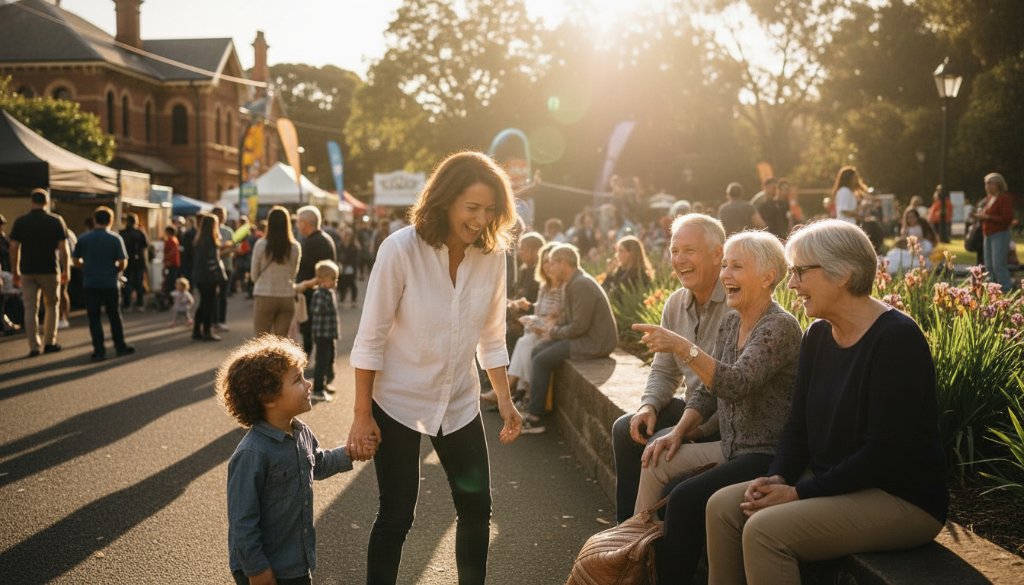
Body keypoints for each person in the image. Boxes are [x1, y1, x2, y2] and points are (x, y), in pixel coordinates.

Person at [705, 219, 948, 585]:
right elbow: (798, 425)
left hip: (899, 497)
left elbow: (884, 453)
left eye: (800, 272)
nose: (791, 284)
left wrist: (799, 492)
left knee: (764, 531)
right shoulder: (818, 335)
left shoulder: (897, 340)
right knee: (723, 507)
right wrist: (778, 476)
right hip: (830, 481)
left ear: (843, 274)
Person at [348, 151, 522, 585]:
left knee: (476, 508)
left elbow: (492, 335)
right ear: (445, 200)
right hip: (398, 400)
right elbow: (370, 338)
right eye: (472, 208)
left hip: (459, 401)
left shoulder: (493, 256)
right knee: (396, 515)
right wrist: (360, 414)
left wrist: (505, 398)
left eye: (490, 210)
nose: (482, 219)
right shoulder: (400, 249)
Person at [632, 231, 802, 584]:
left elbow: (735, 383)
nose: (726, 274)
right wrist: (676, 433)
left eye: (737, 267)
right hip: (730, 448)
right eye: (724, 265)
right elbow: (709, 393)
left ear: (768, 276)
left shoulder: (779, 326)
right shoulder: (731, 322)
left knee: (683, 499)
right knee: (656, 455)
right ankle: (632, 560)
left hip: (764, 454)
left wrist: (684, 347)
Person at [611, 213, 731, 523]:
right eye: (674, 251)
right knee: (627, 428)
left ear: (718, 253)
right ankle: (625, 534)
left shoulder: (736, 304)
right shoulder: (676, 303)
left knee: (659, 449)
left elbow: (725, 384)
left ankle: (649, 544)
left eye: (689, 250)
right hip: (693, 407)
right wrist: (648, 406)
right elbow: (664, 371)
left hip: (722, 421)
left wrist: (684, 430)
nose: (679, 260)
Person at [219, 335, 367, 585]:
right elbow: (242, 522)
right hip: (264, 569)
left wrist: (351, 452)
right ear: (269, 398)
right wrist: (257, 570)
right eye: (298, 379)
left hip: (295, 560)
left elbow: (317, 464)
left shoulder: (300, 432)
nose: (308, 384)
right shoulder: (252, 454)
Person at [520, 243, 618, 435]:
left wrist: (554, 333)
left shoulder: (581, 284)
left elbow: (579, 326)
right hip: (585, 338)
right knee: (537, 350)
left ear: (563, 263)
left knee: (541, 359)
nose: (549, 267)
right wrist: (549, 329)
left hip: (594, 343)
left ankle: (534, 417)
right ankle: (539, 405)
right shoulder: (573, 282)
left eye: (552, 263)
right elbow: (570, 320)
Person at [499, 242, 564, 405]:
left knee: (525, 342)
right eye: (545, 262)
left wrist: (542, 321)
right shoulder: (544, 286)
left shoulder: (565, 287)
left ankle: (515, 390)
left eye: (551, 262)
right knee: (526, 337)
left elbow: (561, 316)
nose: (548, 266)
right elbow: (538, 312)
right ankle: (521, 392)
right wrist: (531, 316)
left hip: (555, 331)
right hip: (541, 328)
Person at [9, 188, 70, 357]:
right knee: (52, 305)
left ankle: (34, 346)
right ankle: (49, 342)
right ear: (47, 201)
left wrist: (15, 271)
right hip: (50, 269)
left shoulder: (21, 221)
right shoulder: (56, 220)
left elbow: (14, 248)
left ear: (31, 201)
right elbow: (63, 248)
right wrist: (66, 269)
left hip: (27, 270)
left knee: (30, 308)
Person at [72, 206, 136, 361]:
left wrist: (85, 267)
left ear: (95, 220)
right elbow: (123, 262)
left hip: (90, 283)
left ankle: (99, 350)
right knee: (114, 316)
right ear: (111, 220)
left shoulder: (83, 238)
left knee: (94, 318)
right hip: (110, 283)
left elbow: (75, 260)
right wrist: (117, 269)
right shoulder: (115, 239)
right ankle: (120, 346)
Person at [251, 206, 301, 337]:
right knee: (280, 342)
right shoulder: (294, 247)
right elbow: (293, 273)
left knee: (261, 340)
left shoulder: (260, 245)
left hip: (264, 294)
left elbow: (254, 274)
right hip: (286, 296)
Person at [294, 206, 336, 357]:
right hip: (318, 291)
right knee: (319, 330)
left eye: (299, 222)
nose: (297, 225)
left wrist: (305, 285)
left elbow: (308, 269)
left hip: (312, 293)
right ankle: (323, 362)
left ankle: (308, 358)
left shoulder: (314, 242)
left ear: (306, 223)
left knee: (309, 329)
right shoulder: (323, 239)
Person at [974, 172, 1015, 292]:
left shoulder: (1004, 198)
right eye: (985, 184)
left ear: (998, 184)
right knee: (989, 266)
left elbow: (1007, 218)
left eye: (989, 183)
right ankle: (992, 291)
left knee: (998, 265)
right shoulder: (989, 199)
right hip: (988, 234)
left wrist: (987, 217)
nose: (986, 186)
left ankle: (1006, 289)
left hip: (1000, 234)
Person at [307, 260, 340, 402]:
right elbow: (316, 310)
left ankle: (325, 382)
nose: (335, 282)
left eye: (336, 279)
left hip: (329, 333)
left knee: (329, 359)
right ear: (322, 280)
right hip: (322, 334)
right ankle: (317, 389)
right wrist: (324, 307)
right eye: (332, 279)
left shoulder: (329, 291)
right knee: (321, 361)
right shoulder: (320, 293)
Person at [192, 214, 228, 342]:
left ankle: (197, 330)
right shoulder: (211, 241)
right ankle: (207, 331)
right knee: (208, 304)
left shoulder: (199, 240)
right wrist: (218, 277)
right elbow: (213, 262)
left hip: (199, 276)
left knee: (202, 303)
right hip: (209, 278)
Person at [211, 206, 235, 332]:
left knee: (223, 295)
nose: (222, 217)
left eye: (223, 214)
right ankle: (214, 320)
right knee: (214, 295)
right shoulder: (209, 230)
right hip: (213, 268)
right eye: (219, 214)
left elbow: (233, 248)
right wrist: (222, 250)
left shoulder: (228, 231)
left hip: (227, 266)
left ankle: (221, 320)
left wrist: (221, 252)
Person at [119, 212, 148, 311]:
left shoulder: (121, 233)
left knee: (126, 283)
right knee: (139, 283)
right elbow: (145, 248)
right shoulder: (140, 233)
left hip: (126, 262)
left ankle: (127, 304)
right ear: (136, 222)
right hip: (139, 262)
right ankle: (140, 304)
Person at [336, 227, 360, 308]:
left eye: (348, 235)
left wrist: (350, 265)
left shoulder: (354, 246)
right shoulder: (340, 245)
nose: (346, 237)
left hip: (351, 268)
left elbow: (355, 258)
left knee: (351, 283)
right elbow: (338, 255)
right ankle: (342, 299)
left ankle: (353, 300)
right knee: (341, 284)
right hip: (341, 267)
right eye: (345, 235)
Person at [162, 225, 181, 293]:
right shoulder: (175, 239)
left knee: (170, 281)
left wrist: (166, 260)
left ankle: (170, 296)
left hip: (171, 263)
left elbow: (171, 252)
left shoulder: (170, 241)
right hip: (175, 262)